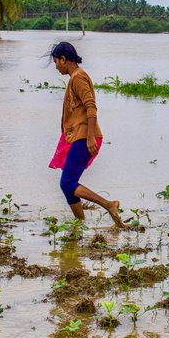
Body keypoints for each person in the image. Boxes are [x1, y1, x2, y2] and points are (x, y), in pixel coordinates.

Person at [48, 41, 123, 227]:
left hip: (84, 137)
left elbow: (91, 107)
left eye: (56, 62)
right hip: (78, 136)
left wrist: (89, 136)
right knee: (68, 185)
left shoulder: (78, 77)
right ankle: (79, 224)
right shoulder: (75, 77)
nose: (56, 67)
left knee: (67, 183)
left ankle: (109, 205)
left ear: (63, 59)